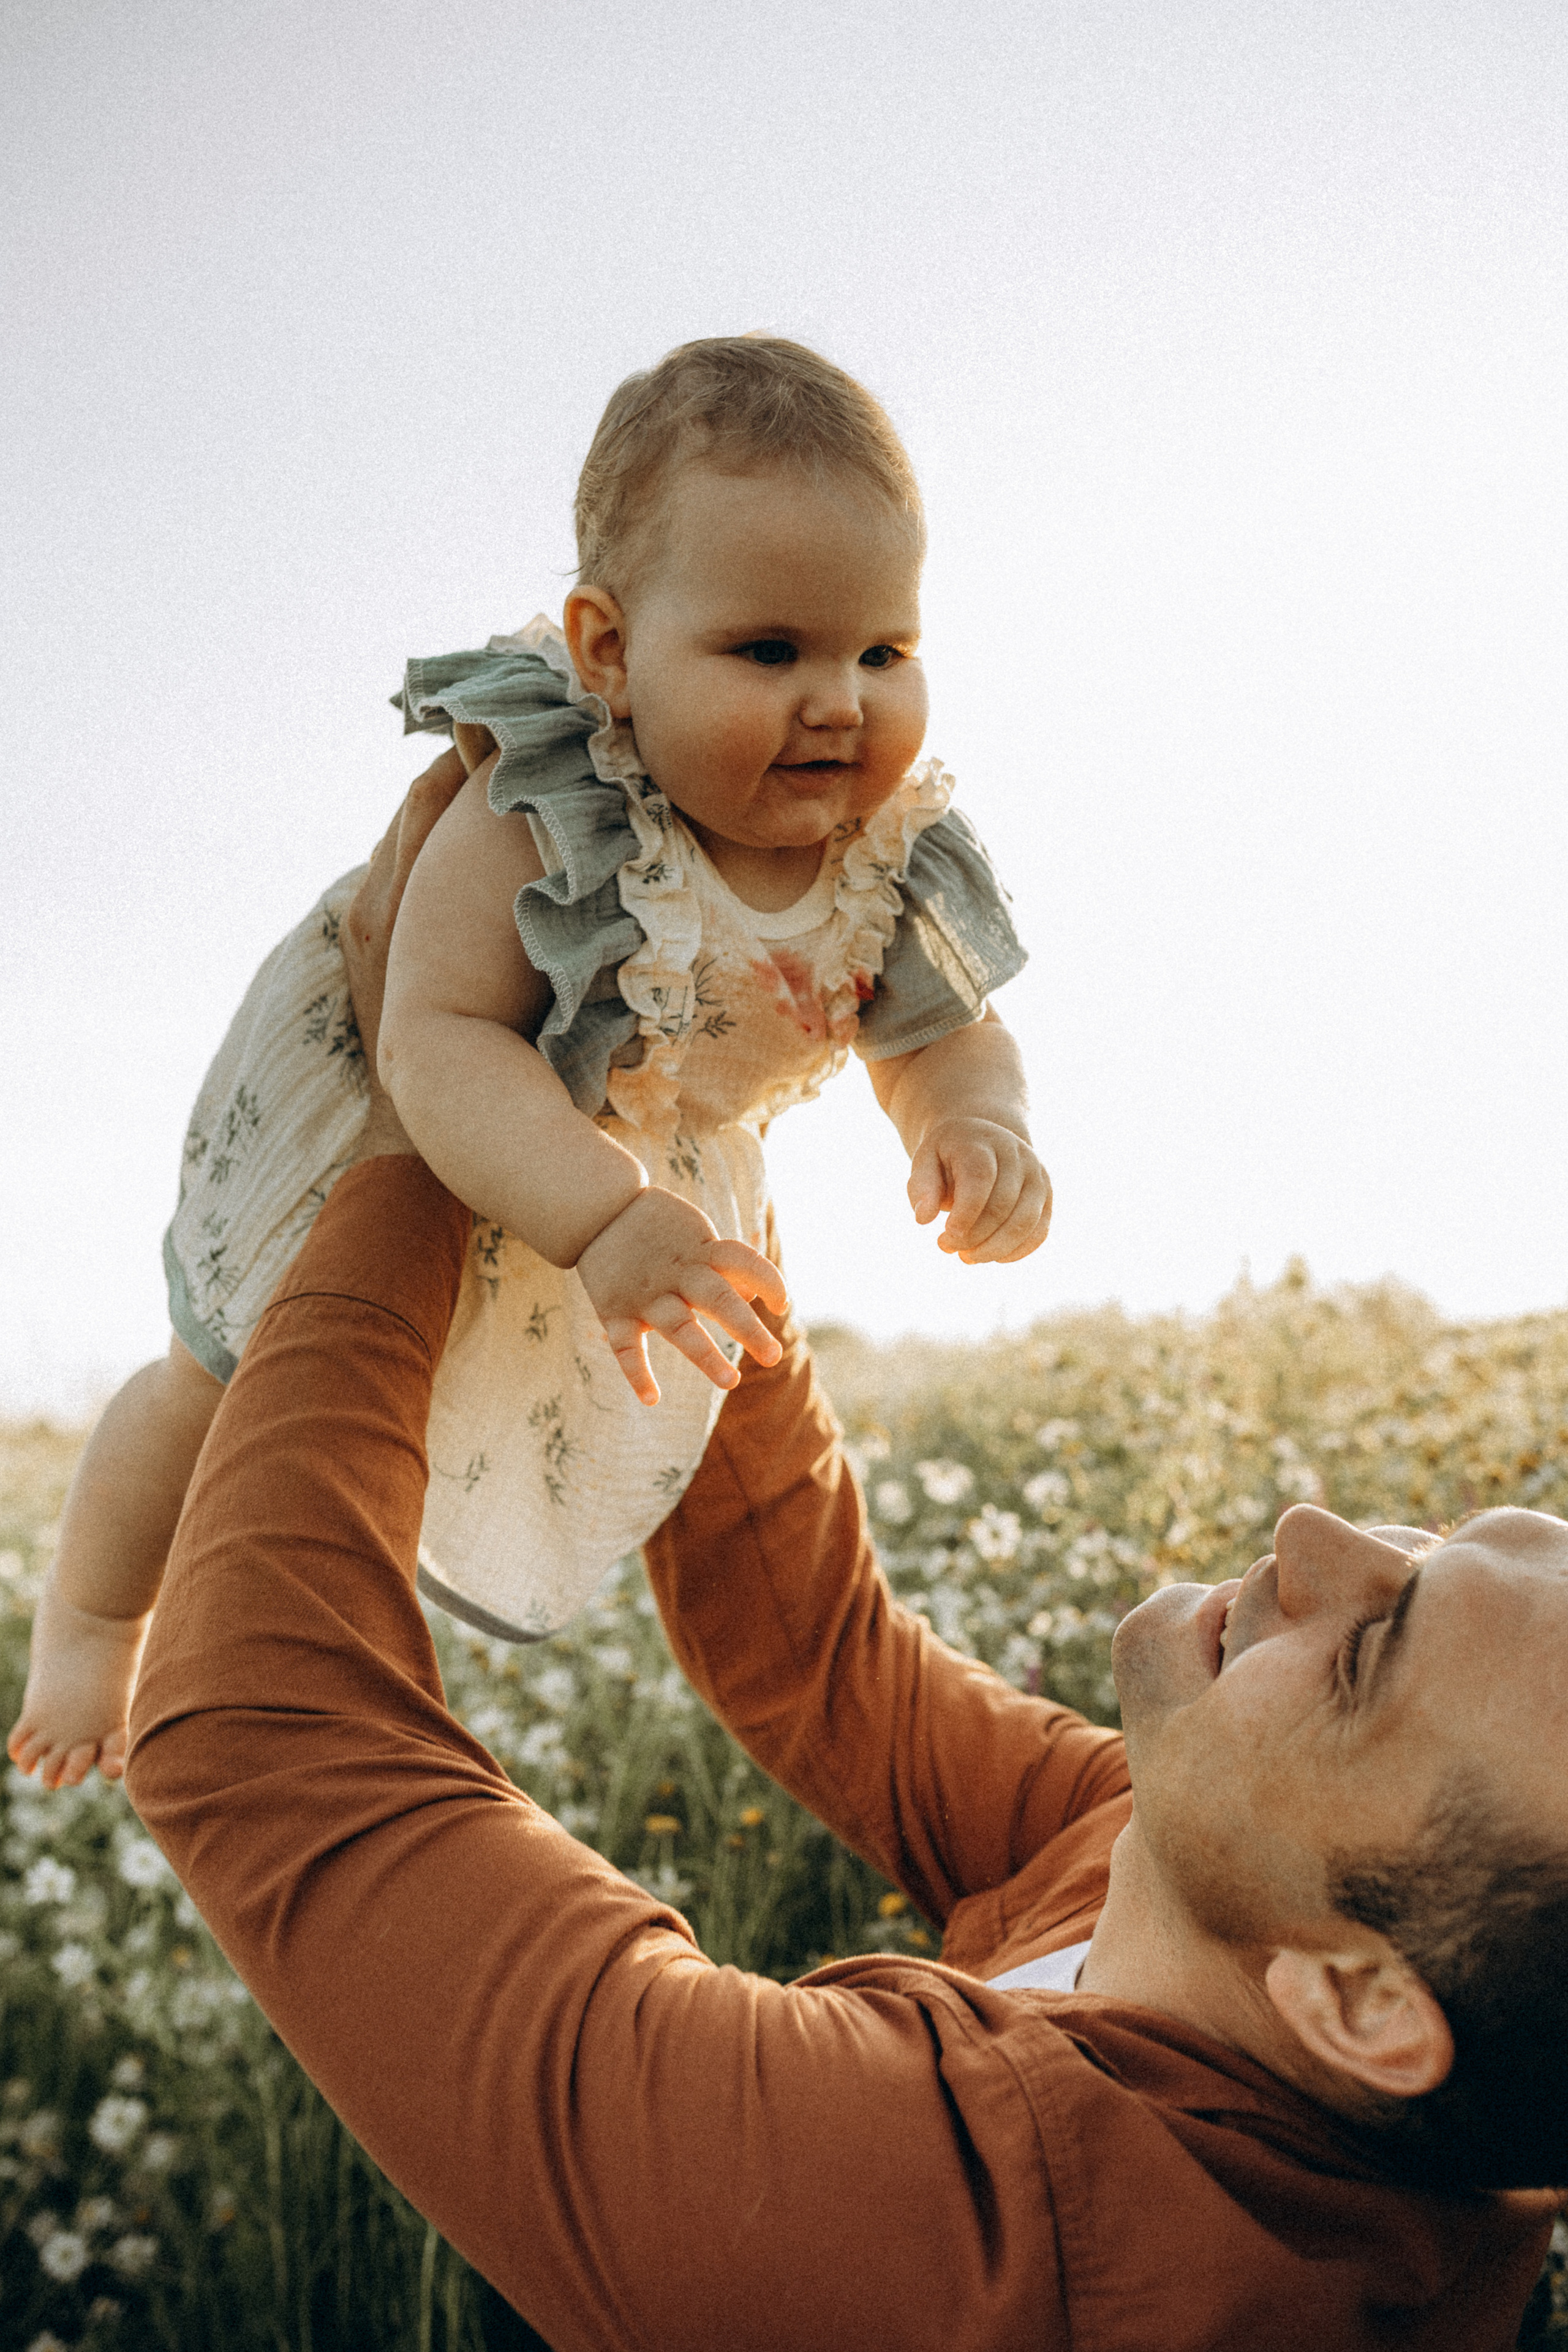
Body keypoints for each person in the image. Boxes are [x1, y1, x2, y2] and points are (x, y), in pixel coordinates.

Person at [121, 763, 1568, 2351]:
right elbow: (824, 1664)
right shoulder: (1250, 1894)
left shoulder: (937, 2232)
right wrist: (680, 1176)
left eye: (1372, 1649)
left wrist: (417, 1134)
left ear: (1357, 2005)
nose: (1316, 1536)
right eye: (1425, 1540)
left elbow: (264, 1739)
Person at [9, 336, 1050, 1790]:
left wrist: (975, 1127)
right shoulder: (554, 806)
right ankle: (93, 1621)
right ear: (609, 651)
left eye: (883, 651)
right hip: (410, 1102)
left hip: (633, 1156)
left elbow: (941, 1031)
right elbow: (432, 1036)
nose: (839, 702)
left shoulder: (890, 852)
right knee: (224, 1371)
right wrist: (604, 1213)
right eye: (770, 651)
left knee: (462, 1422)